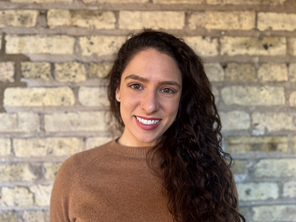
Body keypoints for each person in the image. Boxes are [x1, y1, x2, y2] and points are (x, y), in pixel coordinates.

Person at [50, 29, 245, 222]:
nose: (150, 106)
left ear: (181, 98)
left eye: (167, 90)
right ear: (118, 90)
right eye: (136, 86)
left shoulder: (210, 172)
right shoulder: (75, 173)